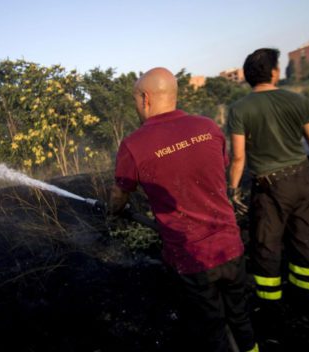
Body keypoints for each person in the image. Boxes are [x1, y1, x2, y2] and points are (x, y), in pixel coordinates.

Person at [109, 67, 258, 352]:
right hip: (231, 246)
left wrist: (115, 210)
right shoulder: (209, 128)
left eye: (135, 101)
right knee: (240, 317)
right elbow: (213, 171)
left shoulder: (134, 145)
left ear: (145, 98)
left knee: (211, 328)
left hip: (192, 258)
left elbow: (119, 196)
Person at [226, 48, 309, 339]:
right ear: (274, 72)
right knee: (305, 240)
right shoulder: (298, 100)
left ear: (249, 76)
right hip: (302, 178)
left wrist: (233, 190)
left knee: (266, 247)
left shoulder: (240, 109)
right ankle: (304, 302)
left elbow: (238, 158)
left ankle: (272, 310)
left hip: (269, 187)